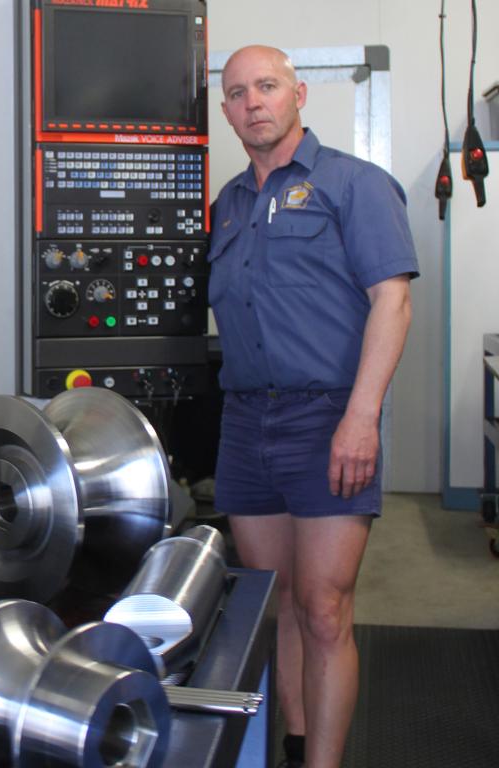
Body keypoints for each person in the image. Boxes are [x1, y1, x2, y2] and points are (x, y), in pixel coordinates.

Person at [209, 46, 418, 768]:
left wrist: (361, 417)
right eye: (237, 93)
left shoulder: (353, 185)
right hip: (244, 423)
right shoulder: (229, 205)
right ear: (226, 109)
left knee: (325, 610)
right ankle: (296, 749)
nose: (253, 102)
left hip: (327, 418)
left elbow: (392, 299)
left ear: (299, 93)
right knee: (278, 601)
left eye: (266, 87)